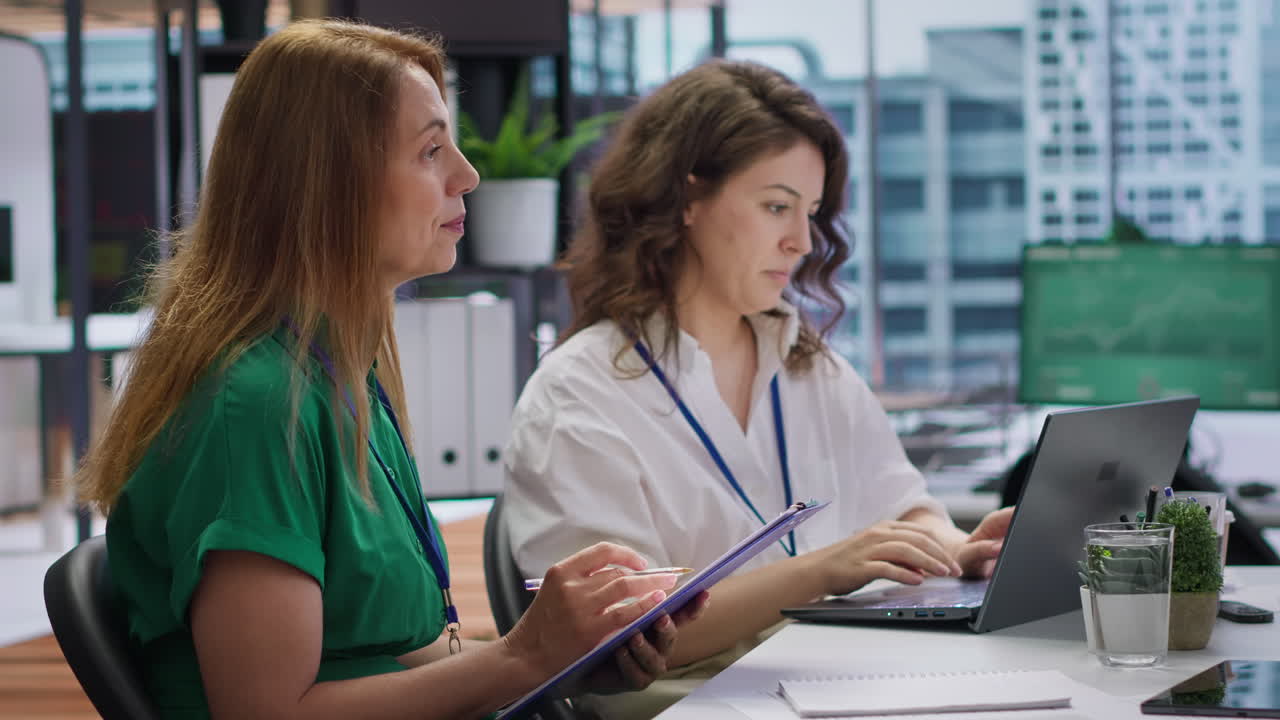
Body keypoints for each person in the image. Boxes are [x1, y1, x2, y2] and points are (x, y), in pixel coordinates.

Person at [73, 20, 706, 720]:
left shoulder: (338, 375)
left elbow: (408, 653)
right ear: (327, 183)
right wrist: (523, 659)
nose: (466, 175)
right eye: (431, 150)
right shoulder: (252, 405)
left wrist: (565, 657)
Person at [502, 59, 1013, 717]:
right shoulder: (578, 394)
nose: (801, 241)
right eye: (776, 206)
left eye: (812, 212)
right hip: (695, 702)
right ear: (687, 199)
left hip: (840, 681)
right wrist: (820, 571)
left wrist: (958, 551)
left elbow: (907, 506)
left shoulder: (806, 362)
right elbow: (614, 634)